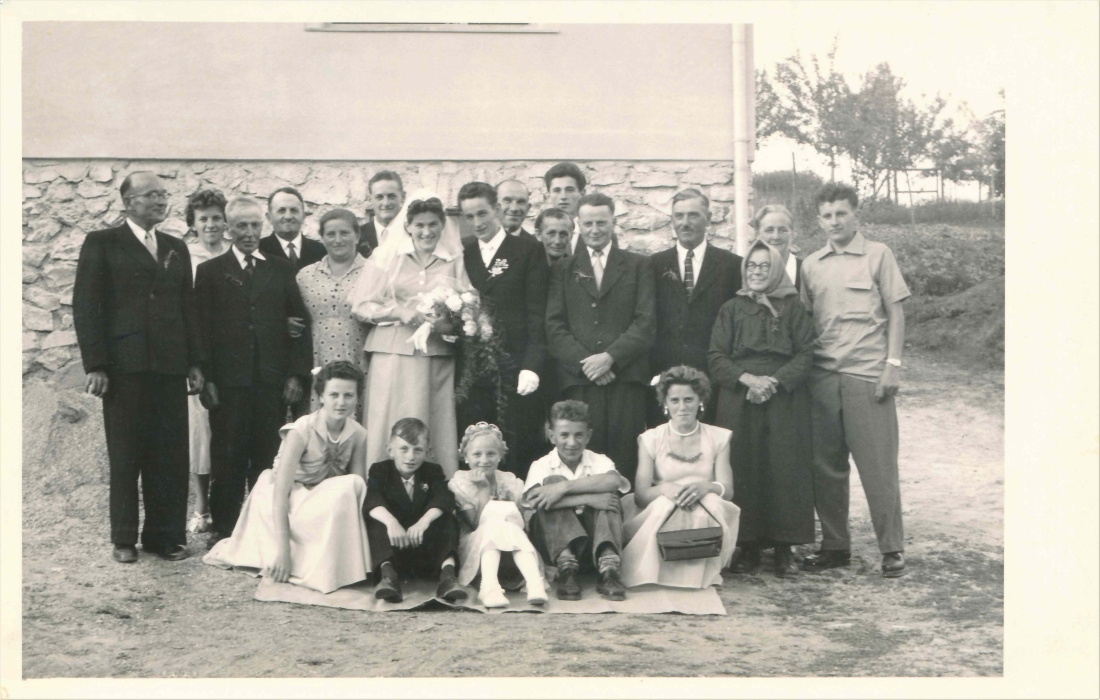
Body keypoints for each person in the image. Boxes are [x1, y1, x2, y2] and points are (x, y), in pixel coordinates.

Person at [73, 171, 206, 563]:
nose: (160, 201)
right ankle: (124, 539)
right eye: (151, 195)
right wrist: (96, 365)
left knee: (169, 455)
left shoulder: (175, 247)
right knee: (127, 453)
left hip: (168, 367)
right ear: (128, 201)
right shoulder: (102, 243)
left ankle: (164, 537)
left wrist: (195, 361)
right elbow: (87, 306)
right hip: (123, 368)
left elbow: (188, 307)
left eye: (164, 195)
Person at [799, 183, 911, 578]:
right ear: (819, 220)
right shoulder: (811, 264)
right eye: (827, 215)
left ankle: (892, 548)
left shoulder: (879, 255)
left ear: (855, 215)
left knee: (878, 466)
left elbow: (896, 313)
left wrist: (892, 364)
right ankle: (835, 546)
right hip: (824, 377)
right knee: (826, 468)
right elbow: (805, 323)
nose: (834, 221)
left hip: (868, 376)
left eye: (841, 213)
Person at [194, 196, 312, 549]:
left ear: (263, 227)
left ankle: (261, 523)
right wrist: (207, 378)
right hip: (228, 383)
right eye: (241, 226)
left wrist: (295, 376)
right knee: (228, 454)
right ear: (228, 229)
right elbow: (201, 329)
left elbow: (299, 325)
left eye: (254, 226)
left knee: (265, 454)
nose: (248, 233)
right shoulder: (212, 272)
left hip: (270, 381)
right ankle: (226, 527)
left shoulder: (279, 269)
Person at [203, 362, 372, 594]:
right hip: (284, 498)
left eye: (348, 396)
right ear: (321, 396)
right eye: (334, 394)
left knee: (355, 485)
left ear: (357, 398)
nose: (341, 402)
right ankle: (301, 559)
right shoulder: (302, 430)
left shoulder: (358, 434)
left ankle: (346, 565)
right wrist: (283, 553)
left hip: (320, 497)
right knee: (345, 487)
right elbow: (280, 493)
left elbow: (358, 491)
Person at [708, 240, 817, 578]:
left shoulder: (793, 308)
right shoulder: (731, 309)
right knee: (745, 464)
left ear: (777, 270)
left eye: (764, 266)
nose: (756, 272)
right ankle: (749, 545)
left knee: (784, 466)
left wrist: (774, 381)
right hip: (740, 396)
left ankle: (785, 547)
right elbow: (716, 357)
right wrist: (747, 379)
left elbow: (806, 354)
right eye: (751, 266)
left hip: (783, 396)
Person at [348, 197, 470, 476]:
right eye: (420, 226)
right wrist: (399, 312)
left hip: (435, 357)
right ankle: (379, 487)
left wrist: (447, 323)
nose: (427, 232)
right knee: (388, 419)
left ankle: (434, 493)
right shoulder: (388, 258)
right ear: (408, 226)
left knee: (433, 422)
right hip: (392, 354)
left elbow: (467, 306)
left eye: (433, 225)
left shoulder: (453, 259)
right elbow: (361, 306)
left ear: (443, 225)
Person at [545, 192, 655, 484]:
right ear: (578, 224)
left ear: (613, 222)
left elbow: (645, 322)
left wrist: (610, 359)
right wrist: (586, 364)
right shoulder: (563, 269)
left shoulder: (638, 265)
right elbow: (554, 325)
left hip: (625, 378)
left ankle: (624, 524)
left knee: (625, 455)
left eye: (601, 223)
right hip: (580, 381)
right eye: (588, 223)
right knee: (580, 454)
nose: (595, 230)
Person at [457, 181, 549, 479]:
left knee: (515, 449)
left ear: (497, 208)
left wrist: (532, 366)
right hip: (472, 373)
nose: (477, 223)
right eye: (468, 217)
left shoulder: (527, 250)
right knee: (475, 453)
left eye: (482, 213)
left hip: (514, 369)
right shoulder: (463, 252)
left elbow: (538, 314)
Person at [620, 366, 740, 589]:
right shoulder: (650, 439)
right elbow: (641, 496)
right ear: (665, 403)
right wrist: (665, 489)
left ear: (700, 400)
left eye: (689, 399)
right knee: (666, 504)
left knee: (711, 501)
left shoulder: (719, 437)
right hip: (661, 508)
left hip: (705, 509)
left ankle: (697, 574)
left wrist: (706, 487)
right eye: (674, 400)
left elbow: (728, 490)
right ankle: (657, 572)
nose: (682, 407)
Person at [649, 188, 743, 427]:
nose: (685, 223)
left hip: (715, 379)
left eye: (693, 215)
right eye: (679, 216)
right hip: (666, 379)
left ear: (708, 219)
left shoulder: (732, 266)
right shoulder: (653, 265)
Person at [524, 400, 630, 601]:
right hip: (555, 544)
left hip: (594, 543)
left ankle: (608, 569)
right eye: (564, 435)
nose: (572, 443)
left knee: (608, 497)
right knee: (554, 480)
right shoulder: (541, 465)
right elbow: (536, 503)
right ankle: (567, 570)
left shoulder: (599, 460)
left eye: (579, 435)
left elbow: (614, 481)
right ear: (552, 436)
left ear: (588, 436)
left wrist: (563, 488)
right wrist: (589, 498)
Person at [364, 418, 466, 603]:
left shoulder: (432, 471)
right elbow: (372, 498)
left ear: (427, 452)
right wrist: (391, 523)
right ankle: (388, 578)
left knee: (446, 518)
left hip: (424, 550)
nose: (410, 457)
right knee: (376, 520)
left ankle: (448, 577)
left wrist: (423, 522)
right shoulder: (380, 470)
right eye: (404, 449)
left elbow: (443, 497)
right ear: (390, 450)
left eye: (418, 450)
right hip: (394, 550)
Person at [449, 423, 548, 608]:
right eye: (477, 454)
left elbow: (521, 523)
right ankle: (493, 585)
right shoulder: (461, 482)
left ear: (501, 455)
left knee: (506, 524)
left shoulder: (509, 481)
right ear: (465, 457)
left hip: (511, 552)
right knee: (494, 524)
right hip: (475, 550)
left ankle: (534, 585)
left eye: (491, 453)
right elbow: (477, 524)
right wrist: (484, 489)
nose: (484, 460)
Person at [183, 188, 230, 535]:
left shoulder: (235, 253)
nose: (211, 224)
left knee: (229, 430)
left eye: (216, 217)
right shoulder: (184, 256)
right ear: (193, 223)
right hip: (200, 352)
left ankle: (227, 503)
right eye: (204, 219)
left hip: (232, 353)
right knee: (200, 431)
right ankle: (201, 507)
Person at [296, 209, 371, 416]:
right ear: (322, 238)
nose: (338, 240)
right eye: (331, 234)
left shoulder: (373, 272)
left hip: (359, 357)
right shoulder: (305, 276)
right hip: (317, 359)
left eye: (344, 233)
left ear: (357, 235)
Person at [258, 186, 326, 272]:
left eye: (294, 210)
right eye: (281, 210)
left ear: (304, 216)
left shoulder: (320, 251)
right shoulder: (258, 251)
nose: (288, 216)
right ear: (269, 217)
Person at [749, 203, 802, 289]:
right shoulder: (749, 273)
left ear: (793, 234)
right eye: (769, 230)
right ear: (757, 234)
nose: (776, 236)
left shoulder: (805, 271)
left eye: (783, 230)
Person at [543, 162, 586, 254]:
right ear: (548, 195)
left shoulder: (594, 235)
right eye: (557, 190)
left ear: (582, 194)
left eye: (569, 190)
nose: (563, 196)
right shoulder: (538, 238)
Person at [362, 170, 407, 250]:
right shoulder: (359, 236)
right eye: (379, 197)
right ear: (370, 199)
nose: (386, 203)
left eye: (391, 196)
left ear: (403, 197)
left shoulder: (412, 233)